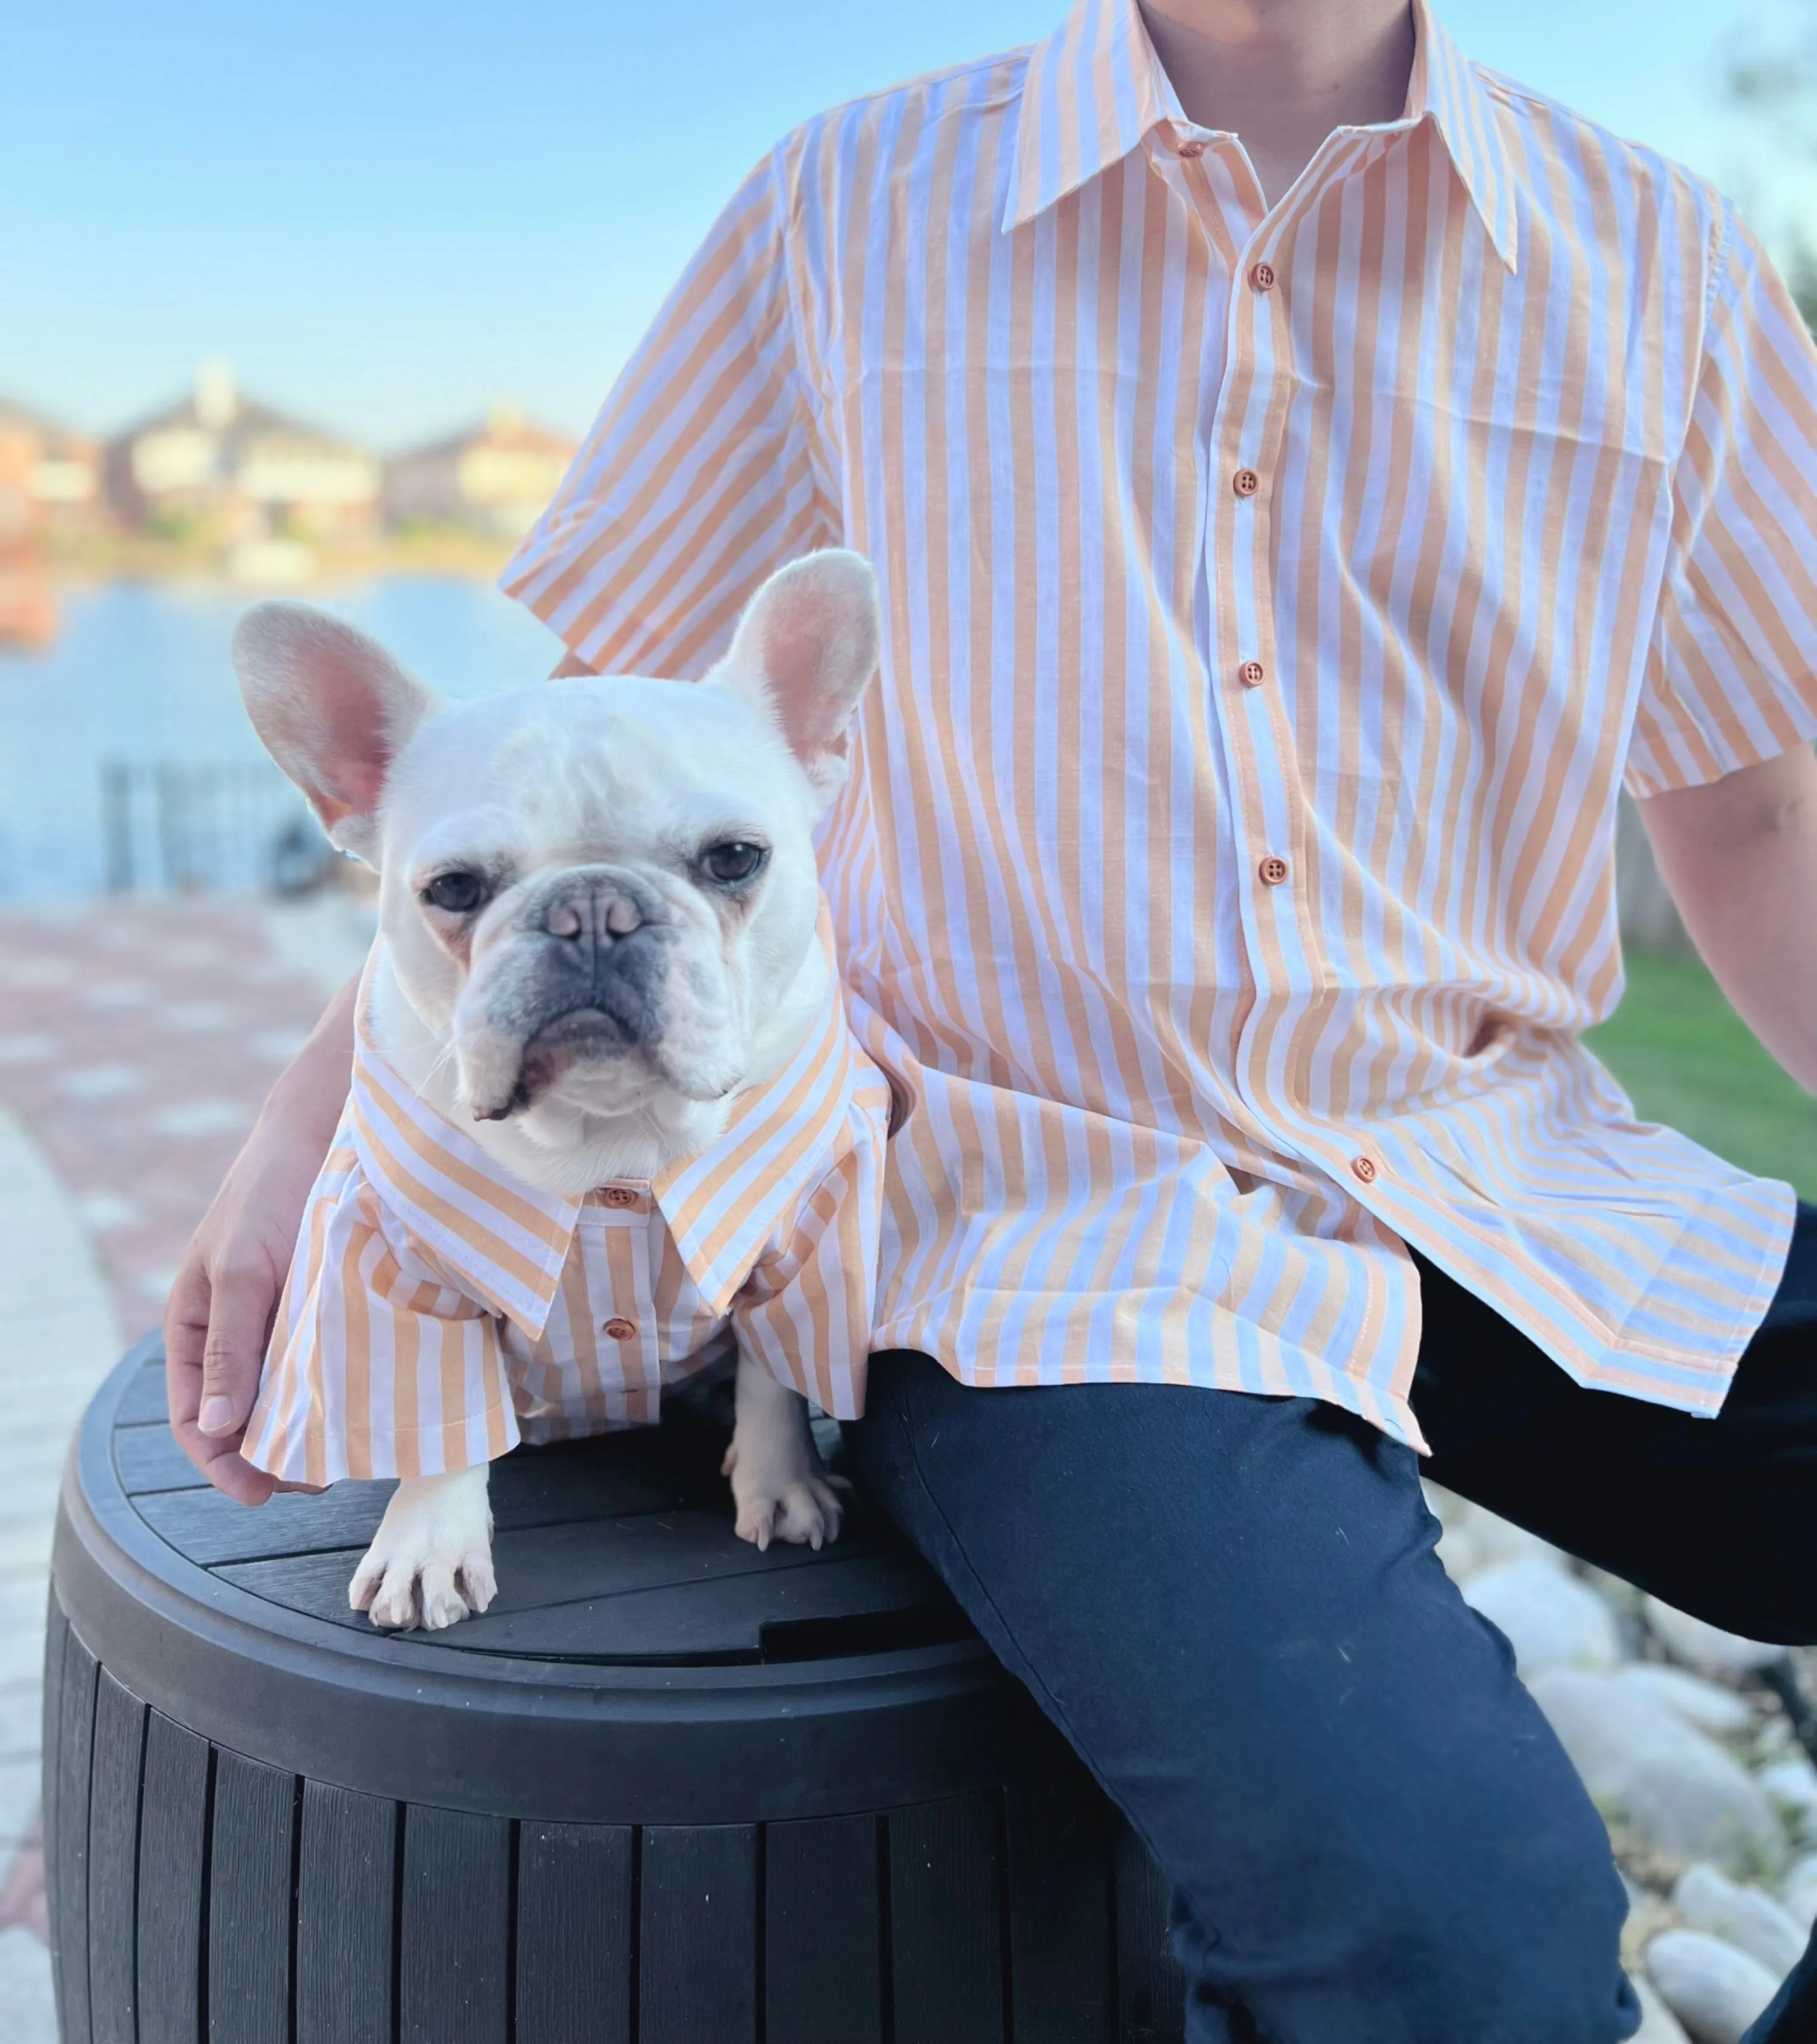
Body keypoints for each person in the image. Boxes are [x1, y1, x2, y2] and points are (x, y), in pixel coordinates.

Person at [167, 0, 1817, 2035]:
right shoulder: (839, 211)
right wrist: (294, 1138)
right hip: (1039, 1224)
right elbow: (557, 763)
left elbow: (1750, 806)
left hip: (1510, 1164)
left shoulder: (1670, 259)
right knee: (1447, 1949)